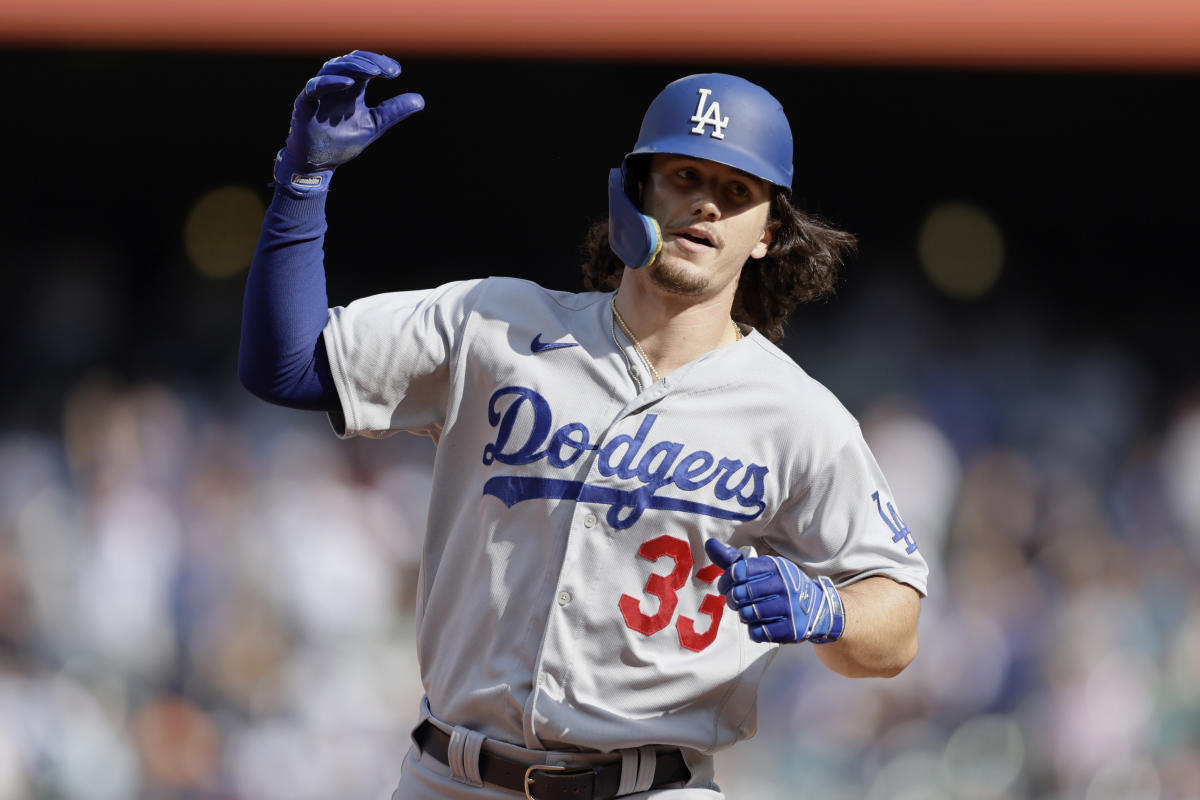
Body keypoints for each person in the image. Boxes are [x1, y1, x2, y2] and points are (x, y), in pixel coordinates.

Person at [239, 50, 929, 800]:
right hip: (451, 776)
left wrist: (831, 610)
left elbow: (896, 630)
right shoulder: (494, 323)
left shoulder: (797, 413)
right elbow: (286, 368)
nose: (706, 205)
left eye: (736, 191)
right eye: (685, 176)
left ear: (768, 231)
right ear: (634, 190)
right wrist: (301, 187)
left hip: (652, 787)